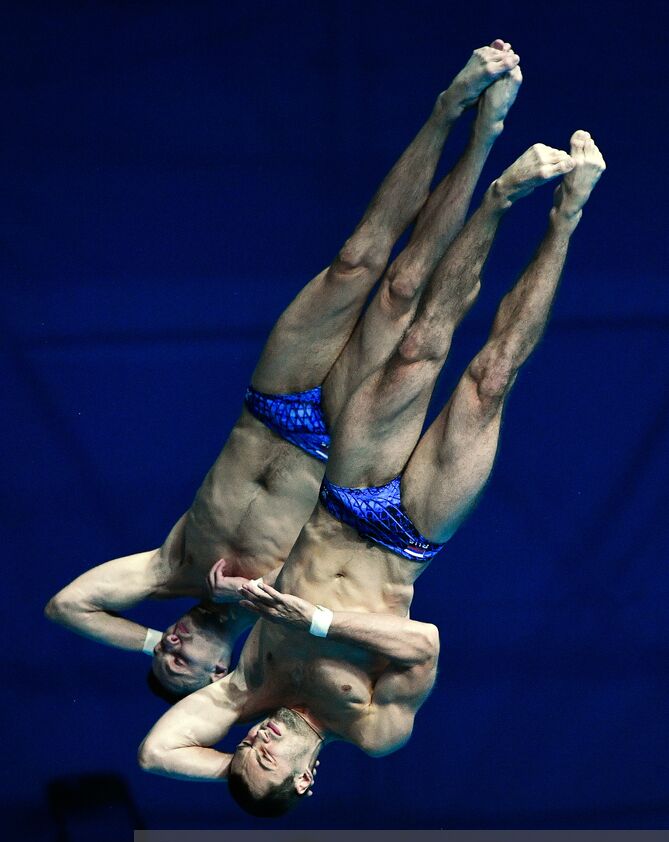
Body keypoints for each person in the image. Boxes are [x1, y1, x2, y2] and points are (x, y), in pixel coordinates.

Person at [138, 130, 606, 815]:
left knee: (419, 343)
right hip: (408, 538)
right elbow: (423, 643)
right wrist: (319, 622)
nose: (255, 744)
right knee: (491, 378)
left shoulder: (248, 686)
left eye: (242, 749)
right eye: (265, 762)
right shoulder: (372, 730)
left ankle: (499, 199)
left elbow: (155, 754)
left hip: (346, 499)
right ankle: (566, 213)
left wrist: (234, 774)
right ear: (306, 780)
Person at [45, 42, 521, 697]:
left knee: (355, 260)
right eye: (180, 663)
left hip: (272, 405)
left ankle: (447, 108)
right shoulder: (283, 612)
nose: (176, 645)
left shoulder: (171, 568)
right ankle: (482, 143)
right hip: (332, 436)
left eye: (166, 648)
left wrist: (151, 642)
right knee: (403, 289)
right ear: (218, 671)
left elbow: (67, 607)